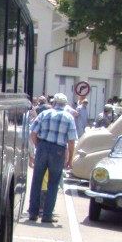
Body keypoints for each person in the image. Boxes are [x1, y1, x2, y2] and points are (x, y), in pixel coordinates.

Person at [26, 93, 78, 225]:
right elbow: (71, 142)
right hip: (58, 151)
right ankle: (47, 215)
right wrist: (70, 159)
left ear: (54, 103)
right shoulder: (69, 118)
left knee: (37, 180)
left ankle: (33, 212)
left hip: (43, 147)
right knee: (53, 183)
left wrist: (39, 146)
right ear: (65, 105)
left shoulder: (45, 114)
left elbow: (33, 133)